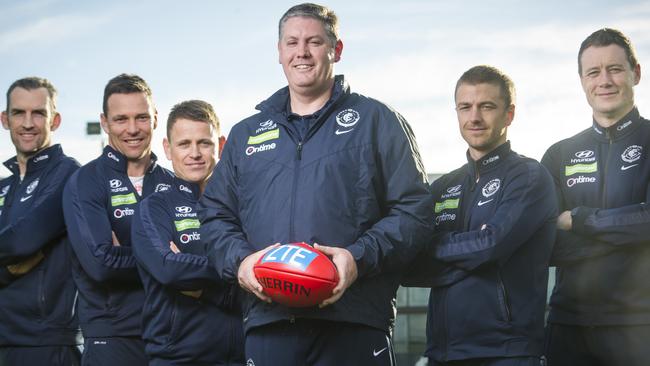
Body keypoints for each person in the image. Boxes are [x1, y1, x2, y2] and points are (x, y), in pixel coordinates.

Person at [198, 3, 433, 366]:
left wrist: (358, 259)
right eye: (291, 42)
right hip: (269, 323)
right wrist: (241, 262)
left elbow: (415, 212)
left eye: (314, 41)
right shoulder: (246, 135)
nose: (302, 52)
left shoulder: (377, 121)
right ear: (279, 52)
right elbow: (215, 216)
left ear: (336, 49)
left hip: (354, 323)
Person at [404, 65, 557, 366]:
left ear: (509, 114)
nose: (474, 117)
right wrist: (474, 252)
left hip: (507, 353)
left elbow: (490, 244)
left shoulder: (529, 177)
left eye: (486, 106)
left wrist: (437, 246)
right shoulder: (444, 186)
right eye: (465, 107)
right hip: (441, 353)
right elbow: (410, 266)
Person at [541, 28, 650, 366]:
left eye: (615, 69)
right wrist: (630, 233)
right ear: (582, 81)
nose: (604, 80)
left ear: (636, 73)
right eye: (593, 72)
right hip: (568, 327)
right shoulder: (558, 155)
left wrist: (582, 219)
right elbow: (544, 242)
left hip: (641, 327)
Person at [63, 74, 174, 366]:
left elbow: (198, 256)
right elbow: (100, 264)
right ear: (104, 122)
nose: (133, 129)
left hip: (174, 335)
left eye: (141, 117)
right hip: (113, 338)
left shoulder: (174, 184)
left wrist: (125, 250)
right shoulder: (85, 181)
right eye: (121, 119)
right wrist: (167, 258)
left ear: (155, 118)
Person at [131, 100, 244, 365]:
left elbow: (265, 274)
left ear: (222, 144)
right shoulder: (154, 207)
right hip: (178, 358)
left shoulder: (244, 206)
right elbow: (168, 268)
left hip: (244, 355)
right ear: (168, 149)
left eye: (204, 143)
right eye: (184, 144)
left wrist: (204, 288)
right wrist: (240, 269)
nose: (195, 153)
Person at [0, 77, 81, 365]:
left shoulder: (68, 174)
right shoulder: (3, 187)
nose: (28, 123)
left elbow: (23, 240)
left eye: (39, 113)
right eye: (18, 113)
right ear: (5, 119)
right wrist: (8, 271)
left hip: (45, 344)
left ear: (55, 120)